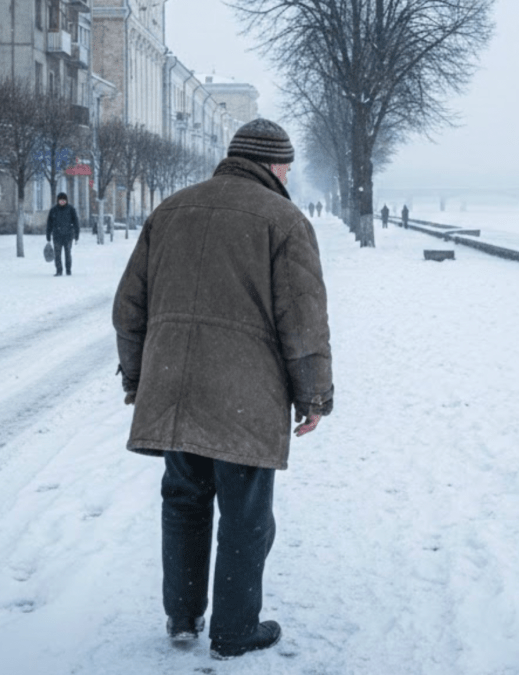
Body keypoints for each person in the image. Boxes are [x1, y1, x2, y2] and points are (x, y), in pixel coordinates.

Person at [112, 118, 333, 661]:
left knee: (184, 500)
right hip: (244, 392)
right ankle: (235, 631)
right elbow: (303, 320)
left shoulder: (171, 210)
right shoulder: (284, 220)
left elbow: (128, 308)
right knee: (245, 513)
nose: (288, 173)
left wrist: (138, 375)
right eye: (286, 165)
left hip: (176, 389)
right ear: (273, 164)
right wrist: (314, 396)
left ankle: (184, 617)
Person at [46, 192, 80, 276]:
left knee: (67, 253)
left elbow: (76, 222)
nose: (62, 202)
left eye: (63, 200)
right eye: (60, 200)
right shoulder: (53, 210)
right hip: (57, 236)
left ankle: (68, 270)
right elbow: (49, 223)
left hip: (68, 236)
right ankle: (59, 270)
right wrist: (48, 235)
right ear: (58, 200)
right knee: (57, 254)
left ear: (66, 200)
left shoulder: (71, 209)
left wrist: (76, 235)